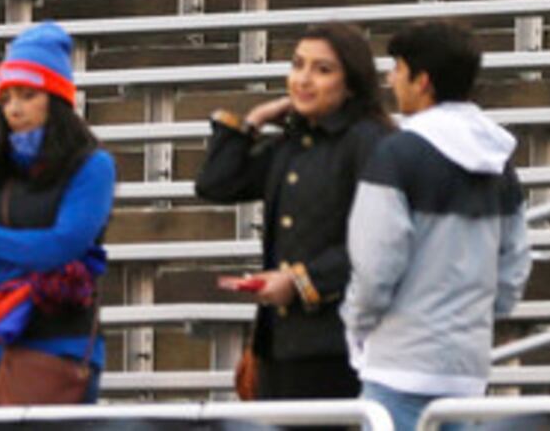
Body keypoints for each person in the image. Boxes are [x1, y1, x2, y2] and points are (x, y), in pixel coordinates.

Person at [343, 21, 532, 431]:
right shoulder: (500, 159)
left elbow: (376, 266)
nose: (391, 80)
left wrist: (355, 324)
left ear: (422, 80)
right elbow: (514, 268)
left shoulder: (395, 154)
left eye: (398, 69)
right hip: (466, 367)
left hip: (398, 362)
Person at [195, 23, 395, 400]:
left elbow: (380, 243)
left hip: (342, 344)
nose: (303, 79)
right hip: (281, 344)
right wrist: (251, 122)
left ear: (351, 82)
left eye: (322, 70)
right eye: (297, 65)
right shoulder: (292, 144)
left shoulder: (370, 142)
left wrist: (302, 281)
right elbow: (216, 184)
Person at [0, 23, 116, 412]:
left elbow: (65, 244)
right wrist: (35, 259)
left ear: (55, 99)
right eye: (6, 98)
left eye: (27, 95)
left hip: (59, 345)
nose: (15, 109)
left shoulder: (92, 165)